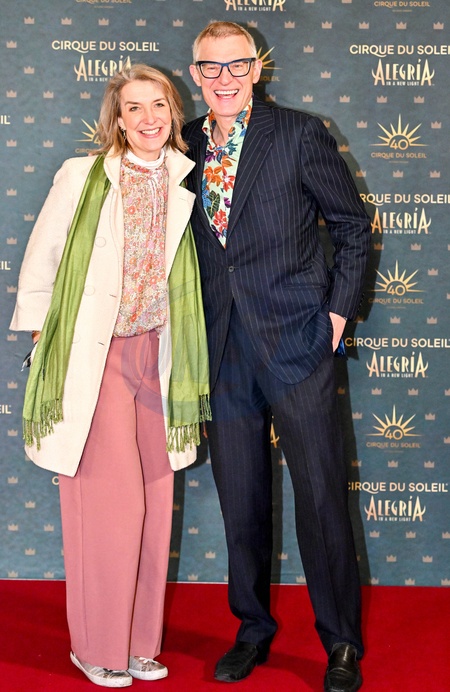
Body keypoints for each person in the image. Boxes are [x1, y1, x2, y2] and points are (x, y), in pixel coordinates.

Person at [183, 21, 371, 692]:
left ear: (257, 69)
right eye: (211, 67)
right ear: (195, 73)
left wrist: (335, 317)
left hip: (298, 340)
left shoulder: (298, 134)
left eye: (237, 65)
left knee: (320, 497)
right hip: (222, 347)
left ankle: (341, 641)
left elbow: (351, 226)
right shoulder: (180, 143)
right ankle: (252, 629)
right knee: (241, 501)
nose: (225, 78)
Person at [11, 64, 210, 688]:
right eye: (134, 108)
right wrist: (47, 341)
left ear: (173, 113)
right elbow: (43, 259)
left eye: (159, 105)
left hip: (160, 355)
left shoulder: (185, 178)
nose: (149, 118)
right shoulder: (83, 175)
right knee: (109, 508)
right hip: (97, 358)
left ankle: (140, 643)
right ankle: (97, 646)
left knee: (155, 502)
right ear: (117, 120)